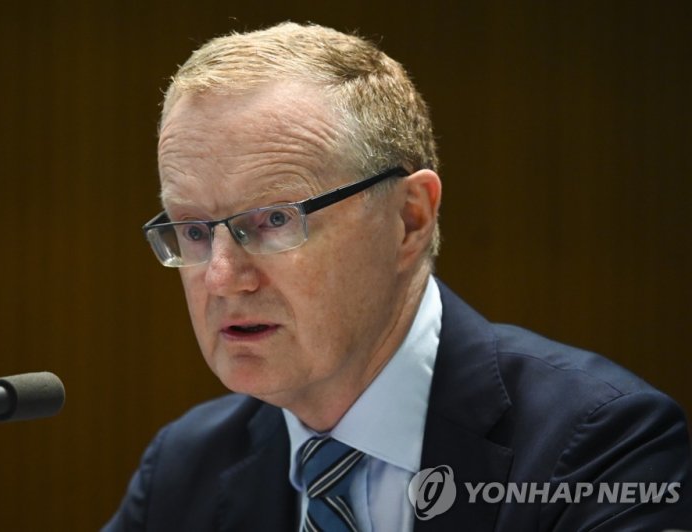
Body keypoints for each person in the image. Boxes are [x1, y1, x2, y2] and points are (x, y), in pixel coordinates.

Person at [104, 22, 692, 531]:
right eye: (196, 232)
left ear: (409, 221)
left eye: (275, 219)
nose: (222, 279)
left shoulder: (600, 443)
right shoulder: (185, 469)